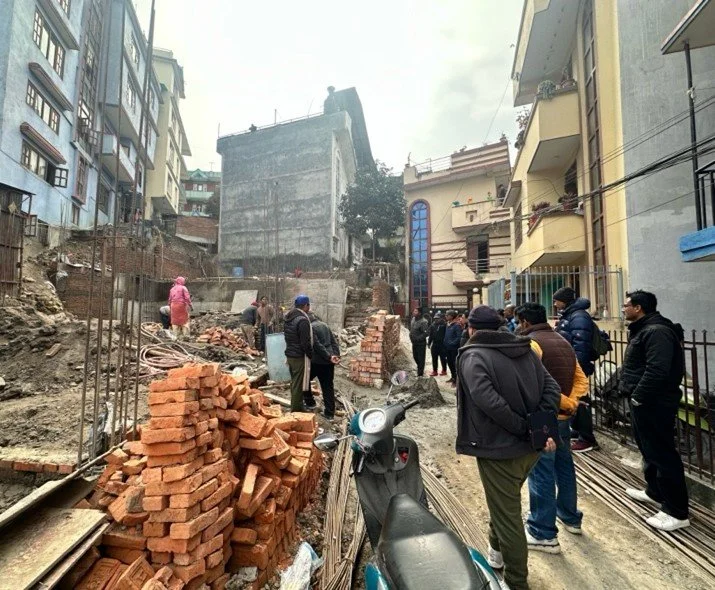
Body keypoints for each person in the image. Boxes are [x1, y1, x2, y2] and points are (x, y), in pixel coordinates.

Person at [456, 305, 560, 590]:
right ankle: (496, 553)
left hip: (500, 449)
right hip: (530, 449)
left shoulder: (473, 355)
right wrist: (537, 427)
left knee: (508, 517)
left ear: (471, 329)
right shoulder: (524, 349)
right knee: (503, 502)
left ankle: (516, 581)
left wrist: (522, 427)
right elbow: (552, 388)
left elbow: (487, 401)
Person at [517, 303, 589, 554]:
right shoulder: (563, 341)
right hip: (562, 417)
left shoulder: (532, 344)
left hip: (542, 416)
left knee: (541, 471)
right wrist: (571, 403)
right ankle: (570, 517)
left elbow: (535, 384)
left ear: (525, 322)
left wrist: (562, 402)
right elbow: (581, 379)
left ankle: (542, 532)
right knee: (564, 465)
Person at [620, 290, 689, 531]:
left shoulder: (657, 332)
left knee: (662, 454)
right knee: (648, 448)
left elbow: (657, 370)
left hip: (655, 402)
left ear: (638, 308)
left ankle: (676, 512)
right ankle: (655, 492)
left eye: (626, 305)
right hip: (645, 401)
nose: (623, 309)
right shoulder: (644, 329)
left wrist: (639, 396)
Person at [553, 286, 599, 453]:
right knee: (573, 397)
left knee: (580, 400)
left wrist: (576, 367)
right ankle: (578, 430)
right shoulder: (570, 314)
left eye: (557, 301)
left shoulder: (579, 316)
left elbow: (581, 345)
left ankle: (587, 438)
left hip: (577, 366)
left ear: (564, 301)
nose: (555, 304)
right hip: (572, 364)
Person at [306, 312, 340, 420]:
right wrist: (336, 355)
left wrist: (328, 356)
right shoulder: (325, 325)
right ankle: (329, 414)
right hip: (329, 362)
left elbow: (317, 346)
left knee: (304, 380)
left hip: (317, 361)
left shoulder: (311, 328)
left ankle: (310, 402)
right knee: (328, 387)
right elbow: (333, 342)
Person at [284, 295, 313, 412]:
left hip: (290, 355)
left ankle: (297, 404)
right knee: (298, 384)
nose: (309, 308)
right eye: (308, 305)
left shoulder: (289, 318)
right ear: (305, 305)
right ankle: (296, 410)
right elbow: (305, 342)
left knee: (295, 382)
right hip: (298, 357)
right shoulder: (302, 320)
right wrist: (311, 354)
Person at [443, 310, 462, 386]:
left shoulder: (457, 325)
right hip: (447, 348)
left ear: (451, 316)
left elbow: (459, 337)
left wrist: (452, 343)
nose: (446, 316)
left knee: (454, 364)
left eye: (447, 315)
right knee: (449, 363)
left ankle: (456, 380)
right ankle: (453, 377)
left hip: (454, 348)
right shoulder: (448, 324)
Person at [409, 309, 429, 377]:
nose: (414, 312)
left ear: (420, 313)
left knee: (421, 358)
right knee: (415, 357)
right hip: (414, 342)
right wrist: (410, 336)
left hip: (420, 343)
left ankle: (420, 374)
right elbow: (412, 329)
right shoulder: (413, 319)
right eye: (414, 311)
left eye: (416, 311)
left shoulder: (424, 322)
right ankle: (419, 368)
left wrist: (418, 338)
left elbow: (426, 333)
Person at [427, 312, 447, 376]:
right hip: (435, 344)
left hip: (442, 344)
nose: (436, 320)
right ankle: (435, 371)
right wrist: (429, 343)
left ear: (441, 318)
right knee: (434, 358)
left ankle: (444, 370)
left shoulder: (445, 325)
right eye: (435, 318)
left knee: (443, 358)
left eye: (438, 318)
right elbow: (431, 335)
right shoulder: (433, 325)